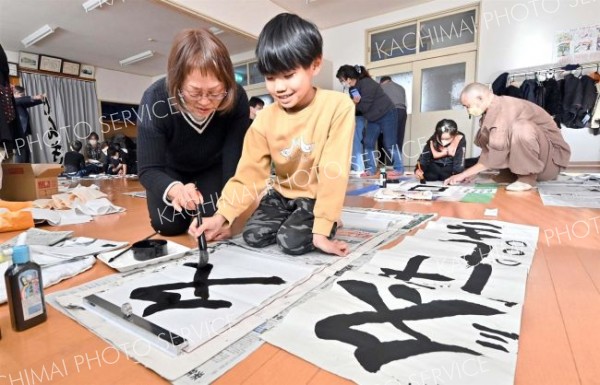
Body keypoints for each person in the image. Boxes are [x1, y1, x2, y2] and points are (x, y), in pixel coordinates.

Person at [189, 13, 355, 256]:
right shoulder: (264, 118)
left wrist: (322, 228)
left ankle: (327, 220)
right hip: (281, 196)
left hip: (314, 197)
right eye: (270, 78)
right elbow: (249, 174)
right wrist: (221, 215)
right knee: (252, 235)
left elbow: (334, 170)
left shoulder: (339, 106)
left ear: (315, 65)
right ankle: (294, 217)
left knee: (291, 242)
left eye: (288, 75)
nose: (279, 87)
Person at [137, 28, 250, 236]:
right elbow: (148, 169)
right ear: (177, 83)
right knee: (167, 225)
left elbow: (233, 160)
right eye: (194, 92)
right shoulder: (155, 99)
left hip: (213, 167)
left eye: (216, 92)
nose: (205, 101)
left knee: (212, 218)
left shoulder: (237, 98)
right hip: (171, 170)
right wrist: (175, 189)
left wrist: (226, 215)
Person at [445, 83, 571, 191]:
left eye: (468, 106)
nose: (468, 111)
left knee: (521, 127)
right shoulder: (490, 112)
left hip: (550, 163)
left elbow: (497, 153)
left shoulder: (506, 110)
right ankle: (507, 175)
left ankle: (527, 179)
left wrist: (463, 174)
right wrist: (474, 172)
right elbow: (490, 150)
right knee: (490, 136)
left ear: (480, 98)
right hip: (538, 161)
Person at [337, 65, 403, 178]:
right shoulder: (352, 88)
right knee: (368, 142)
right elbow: (357, 104)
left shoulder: (367, 83)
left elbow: (363, 107)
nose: (342, 83)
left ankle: (399, 168)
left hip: (387, 113)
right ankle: (371, 169)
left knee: (389, 142)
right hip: (373, 118)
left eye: (342, 80)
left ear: (348, 78)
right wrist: (353, 103)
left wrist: (352, 103)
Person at [12, 86, 45, 163]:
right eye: (22, 95)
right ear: (16, 93)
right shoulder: (13, 100)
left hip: (23, 131)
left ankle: (26, 169)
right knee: (20, 153)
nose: (23, 97)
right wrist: (33, 97)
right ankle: (19, 171)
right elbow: (22, 100)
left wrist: (41, 99)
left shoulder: (20, 101)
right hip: (17, 131)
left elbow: (28, 102)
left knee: (26, 152)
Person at [379, 76, 407, 160]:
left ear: (382, 82)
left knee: (389, 139)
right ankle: (398, 164)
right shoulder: (401, 87)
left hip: (391, 111)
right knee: (399, 139)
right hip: (402, 111)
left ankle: (390, 164)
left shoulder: (381, 87)